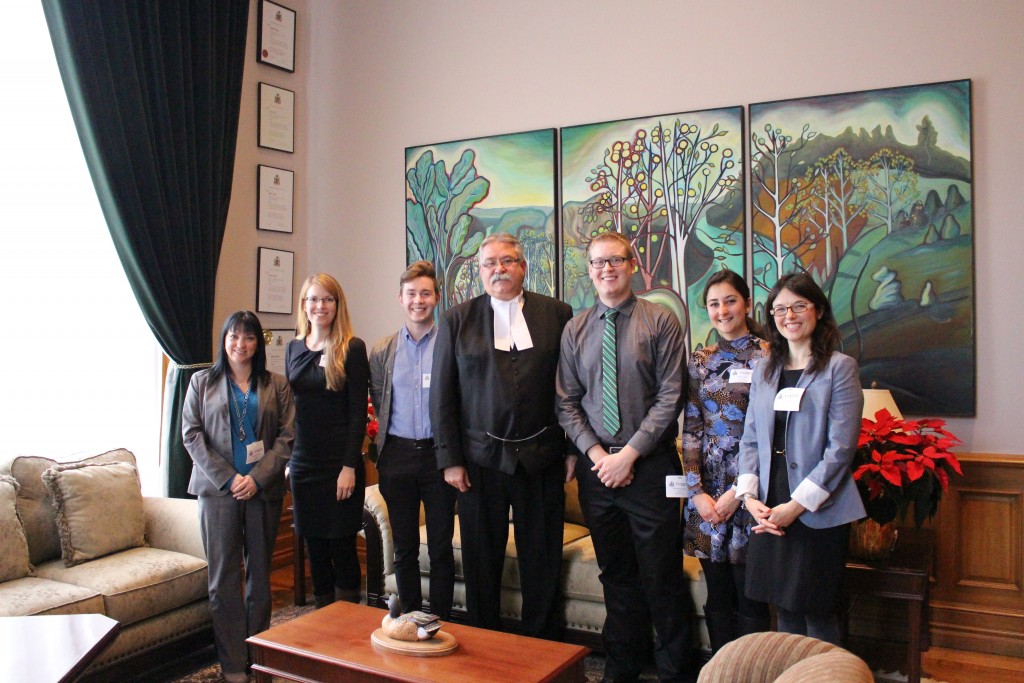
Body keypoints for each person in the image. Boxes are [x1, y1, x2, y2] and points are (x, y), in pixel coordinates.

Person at [557, 231, 696, 682]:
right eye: (597, 263)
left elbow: (671, 396)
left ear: (632, 265)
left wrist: (629, 455)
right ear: (590, 270)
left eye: (615, 260)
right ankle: (622, 665)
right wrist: (599, 455)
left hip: (650, 468)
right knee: (615, 575)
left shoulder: (660, 321)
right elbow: (567, 402)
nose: (606, 269)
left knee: (661, 575)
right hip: (598, 472)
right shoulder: (575, 329)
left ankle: (675, 670)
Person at [431, 232, 574, 640]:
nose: (499, 269)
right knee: (480, 560)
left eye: (508, 261)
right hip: (479, 461)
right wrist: (451, 460)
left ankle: (541, 648)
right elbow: (442, 395)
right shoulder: (458, 319)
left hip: (542, 457)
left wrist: (569, 450)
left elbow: (570, 387)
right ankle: (485, 643)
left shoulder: (557, 314)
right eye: (490, 263)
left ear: (523, 267)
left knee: (541, 560)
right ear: (479, 272)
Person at [735, 271, 865, 646]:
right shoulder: (765, 368)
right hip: (768, 499)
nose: (788, 315)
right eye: (779, 309)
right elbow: (750, 437)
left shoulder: (839, 367)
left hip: (815, 506)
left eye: (798, 306)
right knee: (784, 605)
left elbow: (840, 450)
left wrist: (796, 507)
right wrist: (749, 498)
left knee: (818, 609)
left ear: (818, 310)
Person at [182, 311, 295, 683]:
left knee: (260, 577)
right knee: (223, 580)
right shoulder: (202, 382)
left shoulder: (276, 384)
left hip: (262, 492)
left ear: (257, 343)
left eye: (248, 337)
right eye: (234, 336)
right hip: (218, 493)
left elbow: (287, 437)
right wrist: (230, 478)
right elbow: (191, 435)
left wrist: (257, 479)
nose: (240, 344)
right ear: (224, 339)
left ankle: (257, 657)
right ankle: (233, 665)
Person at [681, 269, 771, 654]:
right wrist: (696, 493)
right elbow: (692, 431)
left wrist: (738, 492)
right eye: (713, 304)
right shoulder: (701, 359)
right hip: (707, 490)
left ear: (747, 303)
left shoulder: (770, 356)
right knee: (717, 594)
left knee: (750, 596)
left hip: (754, 486)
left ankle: (752, 673)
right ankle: (721, 672)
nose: (722, 310)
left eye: (730, 301)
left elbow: (773, 433)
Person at [369, 260, 456, 618]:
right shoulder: (383, 351)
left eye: (425, 293)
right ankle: (409, 619)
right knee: (404, 546)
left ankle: (441, 621)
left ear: (437, 297)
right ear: (400, 298)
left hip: (440, 457)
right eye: (411, 294)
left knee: (440, 548)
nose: (418, 300)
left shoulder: (451, 345)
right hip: (398, 457)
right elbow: (379, 402)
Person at [286, 274, 370, 608]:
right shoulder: (294, 347)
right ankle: (323, 624)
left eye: (327, 299)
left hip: (340, 465)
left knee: (341, 546)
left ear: (338, 305)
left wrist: (350, 465)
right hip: (304, 464)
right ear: (304, 305)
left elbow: (357, 414)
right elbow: (292, 411)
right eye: (313, 299)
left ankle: (348, 625)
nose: (320, 306)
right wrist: (290, 461)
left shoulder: (352, 347)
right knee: (314, 548)